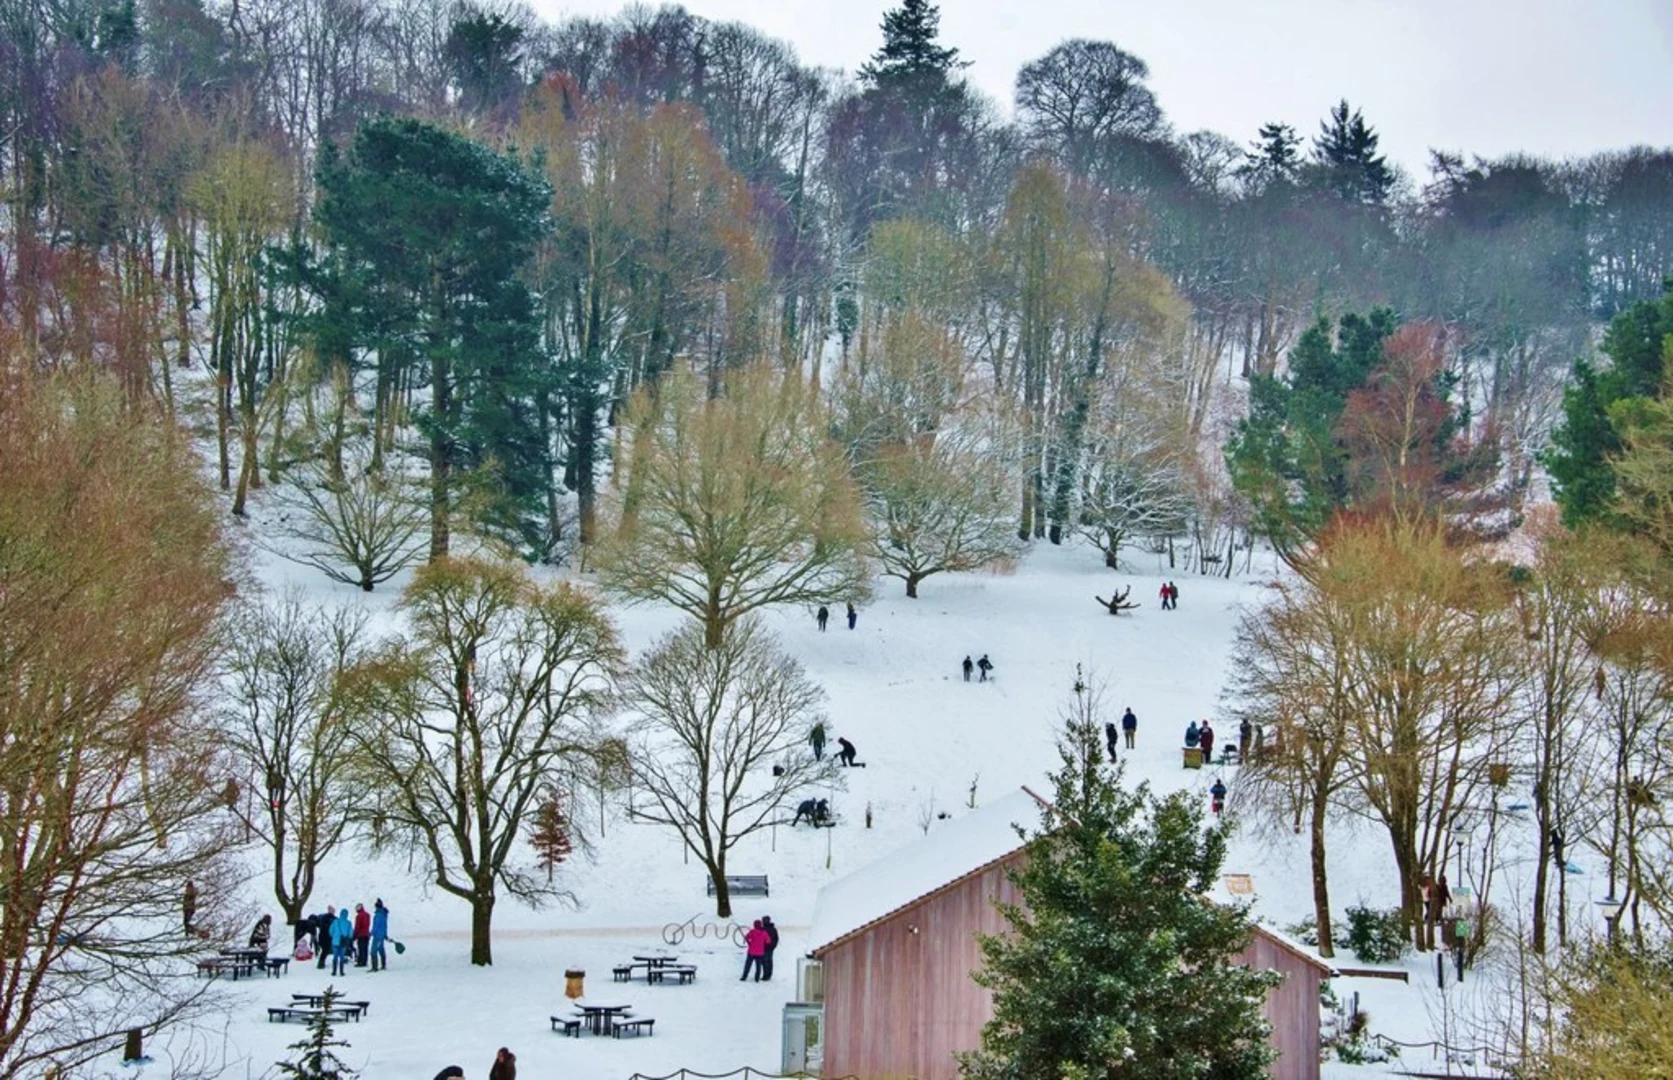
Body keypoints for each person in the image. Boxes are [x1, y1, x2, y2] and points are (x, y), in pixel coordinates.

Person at [329, 906, 353, 977]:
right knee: (342, 957)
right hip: (343, 942)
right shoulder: (349, 923)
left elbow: (330, 931)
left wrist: (334, 936)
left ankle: (334, 971)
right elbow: (351, 933)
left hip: (335, 942)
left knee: (335, 956)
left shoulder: (335, 921)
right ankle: (341, 971)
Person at [370, 899, 389, 972]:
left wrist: (371, 933)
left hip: (377, 936)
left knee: (373, 951)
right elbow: (385, 926)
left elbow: (376, 926)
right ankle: (383, 965)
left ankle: (374, 967)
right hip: (382, 935)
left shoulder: (378, 915)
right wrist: (385, 934)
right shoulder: (384, 915)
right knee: (381, 950)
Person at [760, 915, 780, 981]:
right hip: (771, 948)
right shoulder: (773, 929)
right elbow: (776, 939)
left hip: (765, 948)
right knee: (769, 961)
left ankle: (766, 976)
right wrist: (774, 946)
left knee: (765, 961)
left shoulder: (763, 929)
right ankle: (769, 974)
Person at [352, 902, 371, 967]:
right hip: (367, 934)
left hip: (361, 935)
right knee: (365, 948)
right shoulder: (367, 915)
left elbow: (357, 926)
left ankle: (361, 962)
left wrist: (354, 935)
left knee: (361, 948)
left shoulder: (359, 916)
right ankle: (364, 961)